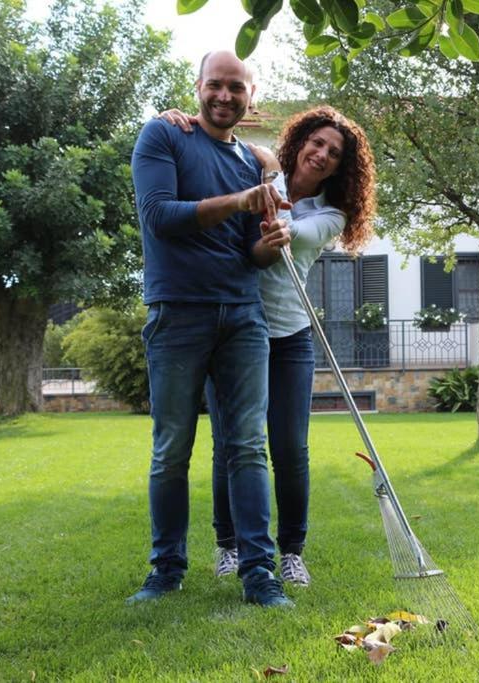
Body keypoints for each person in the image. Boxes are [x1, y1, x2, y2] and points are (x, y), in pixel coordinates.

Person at [160, 105, 377, 586]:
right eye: (316, 143)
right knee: (231, 447)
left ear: (341, 167)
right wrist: (183, 120)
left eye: (334, 153)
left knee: (290, 449)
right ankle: (228, 546)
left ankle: (292, 551)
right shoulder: (264, 174)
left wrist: (281, 226)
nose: (321, 155)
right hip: (237, 332)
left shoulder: (330, 215)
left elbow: (296, 232)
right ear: (299, 143)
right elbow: (228, 138)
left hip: (291, 338)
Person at [126, 50, 294, 608]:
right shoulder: (163, 136)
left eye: (236, 89)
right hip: (177, 312)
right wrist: (242, 200)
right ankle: (166, 571)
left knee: (248, 446)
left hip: (243, 315)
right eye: (215, 85)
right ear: (198, 87)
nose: (225, 96)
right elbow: (159, 216)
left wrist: (267, 247)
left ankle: (259, 575)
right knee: (172, 449)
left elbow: (247, 251)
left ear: (251, 98)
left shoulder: (252, 162)